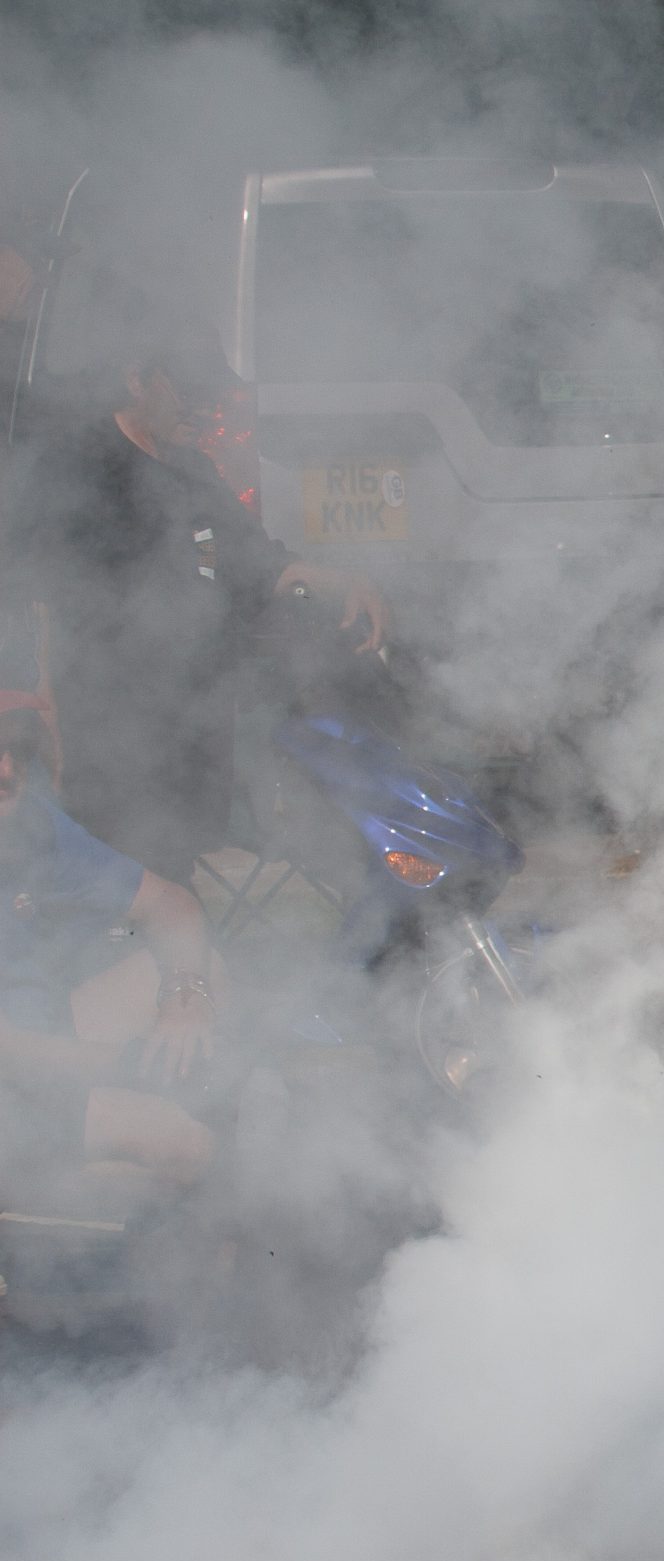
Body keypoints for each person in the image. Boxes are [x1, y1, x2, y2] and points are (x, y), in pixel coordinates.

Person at [0, 332, 386, 885]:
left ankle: (178, 962)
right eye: (189, 390)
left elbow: (249, 562)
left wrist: (335, 580)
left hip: (190, 721)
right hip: (108, 730)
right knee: (117, 877)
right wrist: (52, 730)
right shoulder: (81, 468)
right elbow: (40, 606)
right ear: (138, 379)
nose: (204, 405)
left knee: (173, 867)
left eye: (211, 391)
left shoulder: (191, 470)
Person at [0, 691, 222, 1195]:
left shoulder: (30, 825)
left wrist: (186, 1001)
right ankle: (159, 1265)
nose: (6, 769)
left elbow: (171, 904)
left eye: (15, 747)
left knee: (200, 974)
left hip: (41, 1045)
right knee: (188, 1140)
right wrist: (134, 1066)